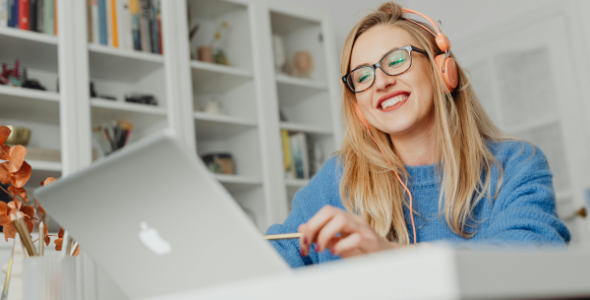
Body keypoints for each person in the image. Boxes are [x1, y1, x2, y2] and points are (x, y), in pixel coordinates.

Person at [266, 1, 571, 268]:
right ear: (359, 107)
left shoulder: (515, 165)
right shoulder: (337, 180)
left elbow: (533, 256)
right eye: (363, 76)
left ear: (443, 71)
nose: (380, 82)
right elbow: (270, 260)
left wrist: (391, 255)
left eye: (397, 60)